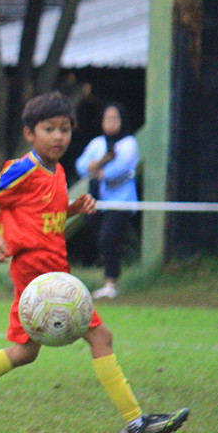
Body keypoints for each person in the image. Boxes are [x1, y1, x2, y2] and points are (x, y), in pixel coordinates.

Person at [0, 91, 188, 433]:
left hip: (54, 271)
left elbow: (44, 217)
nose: (59, 136)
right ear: (31, 133)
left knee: (25, 352)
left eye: (65, 129)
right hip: (37, 275)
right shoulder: (24, 168)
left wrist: (73, 208)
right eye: (50, 129)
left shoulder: (58, 171)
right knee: (101, 336)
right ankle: (136, 423)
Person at [75, 102, 139, 299]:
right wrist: (97, 165)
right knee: (102, 238)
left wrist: (99, 169)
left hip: (121, 202)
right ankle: (108, 279)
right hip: (98, 201)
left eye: (115, 119)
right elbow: (81, 166)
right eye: (107, 119)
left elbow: (118, 169)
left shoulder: (129, 143)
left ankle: (111, 282)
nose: (110, 123)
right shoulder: (97, 143)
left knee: (108, 237)